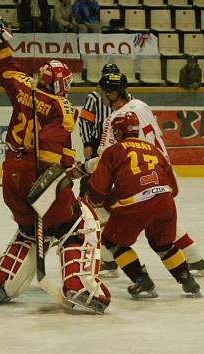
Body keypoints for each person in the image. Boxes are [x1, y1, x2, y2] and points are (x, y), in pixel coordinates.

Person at [0, 14, 110, 314]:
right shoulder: (63, 107)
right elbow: (50, 146)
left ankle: (4, 281)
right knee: (78, 220)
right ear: (61, 84)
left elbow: (3, 69)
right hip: (39, 177)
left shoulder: (24, 89)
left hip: (12, 176)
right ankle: (79, 285)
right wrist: (61, 170)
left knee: (30, 230)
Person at [84, 72, 204, 297]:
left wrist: (84, 172)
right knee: (162, 233)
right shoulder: (141, 105)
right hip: (160, 172)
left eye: (103, 92)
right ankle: (191, 265)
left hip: (134, 181)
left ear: (113, 93)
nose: (101, 96)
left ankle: (120, 265)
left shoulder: (115, 121)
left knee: (110, 228)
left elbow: (104, 160)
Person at [78, 63, 120, 278]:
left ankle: (95, 213)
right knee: (90, 181)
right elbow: (85, 120)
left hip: (115, 144)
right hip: (96, 143)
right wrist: (87, 142)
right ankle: (83, 211)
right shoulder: (94, 97)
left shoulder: (124, 98)